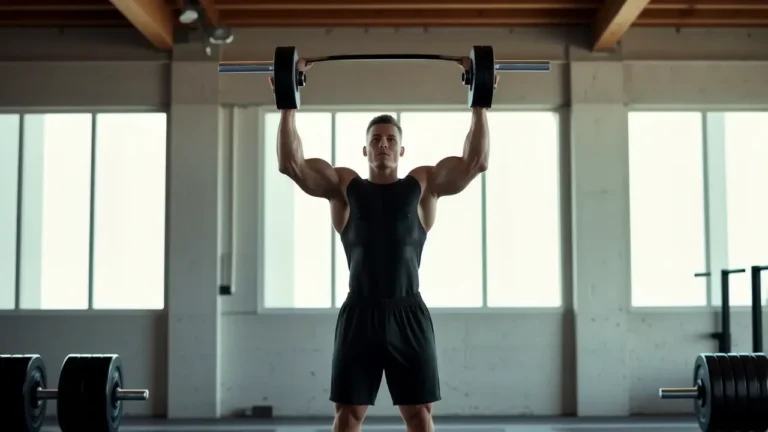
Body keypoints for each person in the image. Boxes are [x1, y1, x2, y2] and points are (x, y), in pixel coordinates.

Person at [270, 59, 496, 432]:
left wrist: (480, 99)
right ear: (365, 150)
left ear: (401, 150)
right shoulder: (345, 187)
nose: (383, 145)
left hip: (409, 313)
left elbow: (476, 161)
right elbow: (291, 164)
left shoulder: (421, 186)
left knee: (419, 415)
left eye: (391, 139)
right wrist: (287, 99)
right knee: (348, 415)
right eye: (376, 140)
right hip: (360, 314)